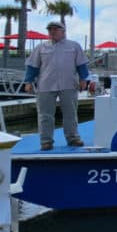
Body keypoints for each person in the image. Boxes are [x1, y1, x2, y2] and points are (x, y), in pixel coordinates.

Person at [23, 20, 90, 150]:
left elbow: (81, 64)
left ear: (63, 31)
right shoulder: (41, 47)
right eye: (50, 30)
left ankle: (73, 138)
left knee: (70, 113)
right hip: (45, 85)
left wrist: (83, 79)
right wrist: (28, 81)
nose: (52, 32)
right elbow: (33, 66)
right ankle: (46, 141)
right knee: (45, 115)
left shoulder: (74, 46)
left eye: (55, 29)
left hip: (69, 84)